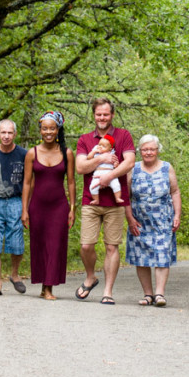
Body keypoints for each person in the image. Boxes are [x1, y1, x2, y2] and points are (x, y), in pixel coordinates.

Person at [74, 98, 137, 305]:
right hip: (90, 200)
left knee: (112, 247)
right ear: (94, 115)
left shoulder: (123, 135)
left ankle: (108, 291)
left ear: (112, 115)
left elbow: (129, 162)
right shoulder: (85, 139)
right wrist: (101, 159)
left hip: (116, 202)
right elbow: (81, 168)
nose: (102, 118)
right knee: (86, 246)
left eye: (106, 114)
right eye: (98, 114)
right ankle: (91, 277)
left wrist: (110, 177)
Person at [21, 111, 76, 300]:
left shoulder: (66, 152)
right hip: (37, 206)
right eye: (45, 128)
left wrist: (72, 208)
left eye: (52, 128)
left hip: (59, 206)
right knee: (40, 245)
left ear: (58, 129)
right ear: (40, 130)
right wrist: (24, 210)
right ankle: (43, 285)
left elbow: (71, 182)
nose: (48, 132)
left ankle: (49, 288)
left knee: (55, 245)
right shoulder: (32, 153)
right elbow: (27, 183)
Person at [126, 134, 181, 307]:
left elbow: (175, 192)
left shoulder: (167, 168)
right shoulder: (132, 168)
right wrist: (130, 219)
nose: (148, 152)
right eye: (145, 149)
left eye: (152, 149)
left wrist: (177, 214)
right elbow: (125, 196)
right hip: (139, 220)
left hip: (163, 219)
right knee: (141, 257)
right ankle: (148, 294)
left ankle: (159, 294)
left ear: (157, 150)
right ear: (140, 151)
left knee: (162, 253)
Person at [0, 119, 27, 296]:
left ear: (15, 134)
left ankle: (15, 275)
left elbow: (28, 182)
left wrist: (26, 207)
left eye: (10, 133)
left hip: (16, 200)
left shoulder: (24, 154)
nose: (6, 136)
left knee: (17, 242)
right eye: (3, 132)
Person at [87, 134, 123, 204]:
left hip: (110, 174)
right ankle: (96, 200)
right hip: (98, 174)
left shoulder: (112, 155)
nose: (100, 147)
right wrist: (94, 151)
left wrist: (116, 164)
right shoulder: (96, 154)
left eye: (103, 146)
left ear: (110, 149)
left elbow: (116, 164)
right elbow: (88, 158)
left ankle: (117, 198)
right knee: (92, 187)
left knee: (116, 185)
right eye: (99, 145)